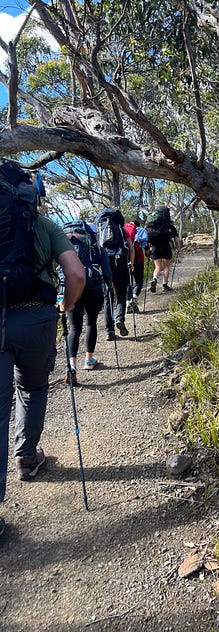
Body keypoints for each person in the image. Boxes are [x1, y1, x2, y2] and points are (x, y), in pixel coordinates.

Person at [0, 168, 85, 537]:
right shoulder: (45, 225)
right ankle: (26, 457)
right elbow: (77, 274)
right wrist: (64, 306)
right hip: (36, 318)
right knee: (32, 388)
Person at [62, 222, 112, 385]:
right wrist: (109, 288)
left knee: (74, 328)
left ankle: (71, 366)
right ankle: (89, 360)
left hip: (72, 289)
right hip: (93, 290)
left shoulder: (67, 247)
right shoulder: (98, 249)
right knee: (91, 324)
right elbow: (107, 273)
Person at [96, 208, 134, 340]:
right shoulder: (122, 230)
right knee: (121, 294)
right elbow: (131, 248)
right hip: (120, 261)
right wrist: (131, 263)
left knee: (108, 297)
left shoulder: (99, 231)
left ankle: (109, 332)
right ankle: (119, 318)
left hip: (105, 264)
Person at [147, 206, 180, 293]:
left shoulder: (152, 225)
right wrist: (177, 248)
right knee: (166, 266)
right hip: (165, 246)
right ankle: (164, 285)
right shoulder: (169, 226)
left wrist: (148, 251)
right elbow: (176, 239)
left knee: (157, 267)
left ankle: (154, 279)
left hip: (154, 247)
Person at [125, 219, 148, 312]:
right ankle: (134, 297)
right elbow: (145, 246)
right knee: (138, 282)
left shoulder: (122, 229)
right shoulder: (142, 231)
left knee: (128, 283)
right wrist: (148, 254)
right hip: (138, 260)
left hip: (125, 260)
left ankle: (127, 302)